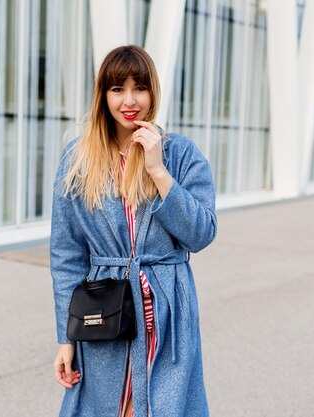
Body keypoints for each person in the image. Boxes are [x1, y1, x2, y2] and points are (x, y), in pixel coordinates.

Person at [50, 45, 217, 417]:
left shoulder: (180, 155)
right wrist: (66, 337)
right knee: (110, 406)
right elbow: (67, 256)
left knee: (164, 406)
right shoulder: (78, 159)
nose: (129, 100)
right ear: (102, 96)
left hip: (167, 310)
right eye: (117, 89)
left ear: (153, 92)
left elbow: (202, 233)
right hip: (105, 310)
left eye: (139, 87)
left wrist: (159, 172)